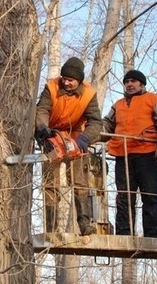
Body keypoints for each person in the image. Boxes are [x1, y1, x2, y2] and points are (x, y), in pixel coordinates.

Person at [102, 70, 157, 238]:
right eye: (127, 81)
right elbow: (107, 125)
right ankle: (124, 234)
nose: (129, 84)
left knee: (150, 196)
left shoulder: (153, 100)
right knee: (124, 197)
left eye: (133, 81)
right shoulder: (118, 105)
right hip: (123, 155)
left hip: (147, 154)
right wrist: (94, 135)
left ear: (141, 84)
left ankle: (153, 235)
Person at [35, 57, 103, 235]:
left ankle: (84, 223)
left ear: (79, 80)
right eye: (64, 78)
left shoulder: (89, 94)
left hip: (75, 137)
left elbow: (96, 122)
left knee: (80, 181)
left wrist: (84, 140)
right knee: (50, 183)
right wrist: (42, 128)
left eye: (70, 80)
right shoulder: (52, 86)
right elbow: (42, 109)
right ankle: (51, 227)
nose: (66, 82)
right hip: (52, 135)